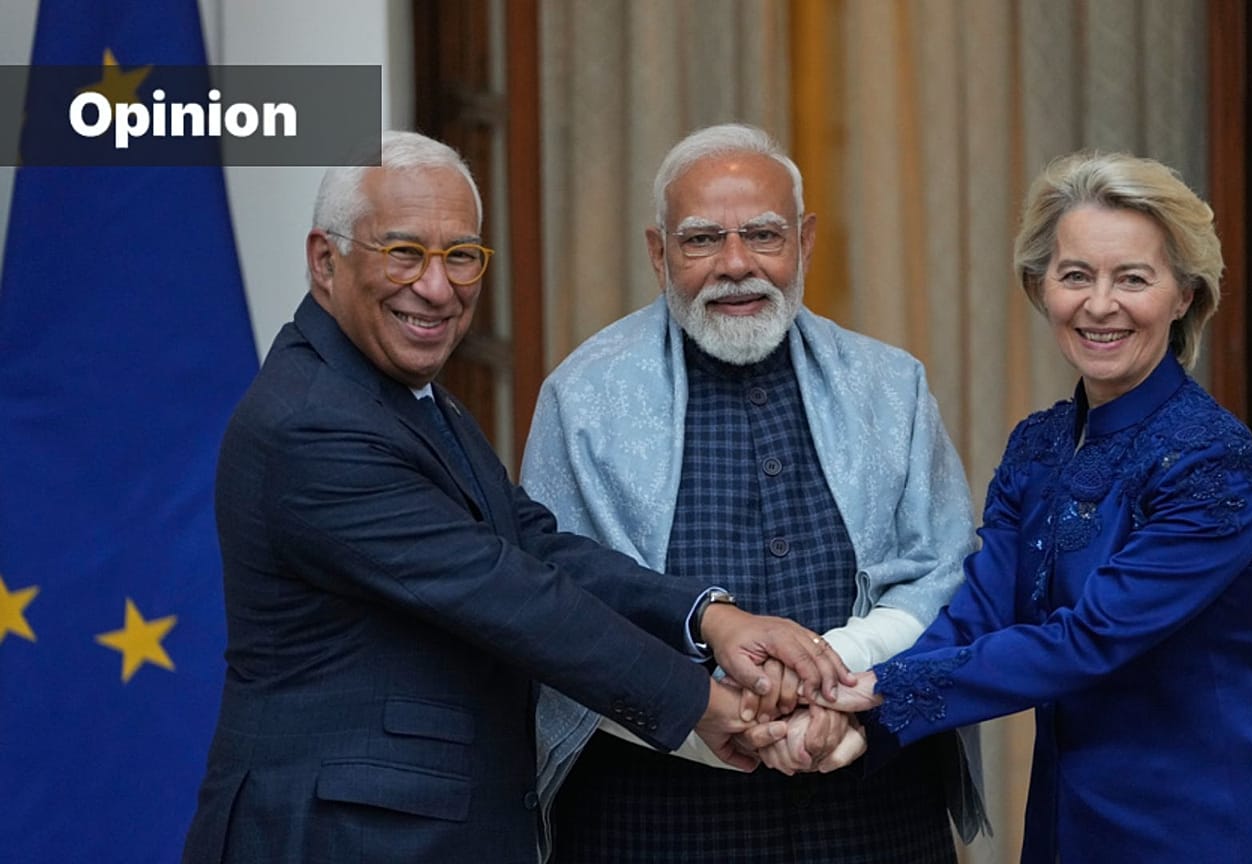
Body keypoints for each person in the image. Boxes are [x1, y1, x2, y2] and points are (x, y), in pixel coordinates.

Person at [181, 130, 847, 864]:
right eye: (404, 253)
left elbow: (529, 541)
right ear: (324, 260)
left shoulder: (395, 391)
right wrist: (705, 705)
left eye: (461, 255)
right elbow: (507, 593)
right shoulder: (315, 422)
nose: (437, 287)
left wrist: (710, 618)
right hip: (338, 837)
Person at [818, 151, 1252, 863]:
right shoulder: (1040, 445)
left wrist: (878, 695)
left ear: (1182, 296)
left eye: (1133, 278)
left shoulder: (1212, 461)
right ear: (1039, 287)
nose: (1100, 304)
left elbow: (1089, 640)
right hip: (1067, 824)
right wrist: (857, 702)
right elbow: (979, 615)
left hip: (1203, 828)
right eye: (1075, 275)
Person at [521, 123, 987, 863]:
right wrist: (716, 717)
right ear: (658, 252)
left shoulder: (889, 386)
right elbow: (558, 608)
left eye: (764, 236)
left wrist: (838, 682)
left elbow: (948, 577)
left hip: (871, 810)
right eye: (702, 240)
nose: (736, 265)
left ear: (803, 242)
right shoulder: (584, 398)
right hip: (654, 818)